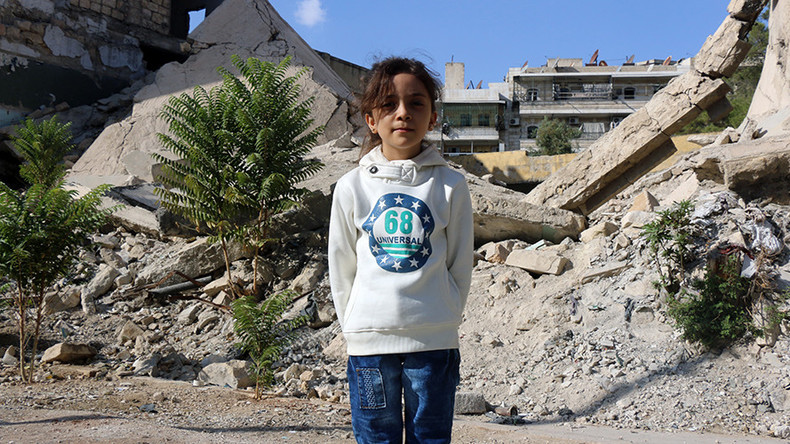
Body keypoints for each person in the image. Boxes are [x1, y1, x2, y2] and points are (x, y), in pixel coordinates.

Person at [328, 57, 474, 443]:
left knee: (430, 436)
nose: (403, 113)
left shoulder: (450, 186)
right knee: (376, 436)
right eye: (389, 104)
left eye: (416, 103)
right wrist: (355, 324)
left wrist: (445, 314)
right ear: (371, 120)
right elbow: (341, 264)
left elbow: (460, 262)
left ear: (433, 117)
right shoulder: (351, 186)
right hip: (370, 345)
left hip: (434, 343)